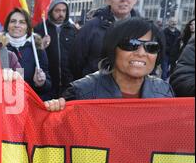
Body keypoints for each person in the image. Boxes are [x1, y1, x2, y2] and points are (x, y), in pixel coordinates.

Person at [45, 18, 174, 111]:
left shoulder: (164, 92)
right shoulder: (81, 93)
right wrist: (54, 110)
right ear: (112, 49)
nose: (141, 53)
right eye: (131, 44)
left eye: (151, 47)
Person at [71, 0, 140, 80]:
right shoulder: (91, 28)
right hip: (96, 91)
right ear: (108, 0)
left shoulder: (145, 29)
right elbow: (75, 63)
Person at [3, 8, 51, 100]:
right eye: (13, 21)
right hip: (4, 103)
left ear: (27, 27)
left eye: (22, 22)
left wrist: (41, 84)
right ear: (7, 25)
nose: (17, 25)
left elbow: (48, 85)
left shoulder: (37, 48)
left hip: (30, 102)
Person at [34, 0, 77, 99]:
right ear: (51, 11)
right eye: (57, 10)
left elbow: (78, 55)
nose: (61, 14)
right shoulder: (40, 29)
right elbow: (33, 55)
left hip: (68, 84)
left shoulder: (73, 30)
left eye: (64, 10)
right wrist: (41, 46)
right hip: (48, 84)